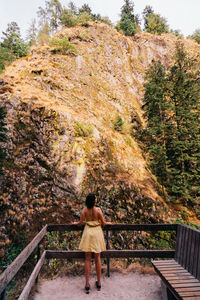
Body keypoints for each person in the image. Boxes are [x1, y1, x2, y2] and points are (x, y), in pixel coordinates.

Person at [73, 193, 112, 294]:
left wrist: (74, 224)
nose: (96, 199)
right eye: (95, 198)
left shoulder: (85, 210)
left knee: (87, 259)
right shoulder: (98, 210)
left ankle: (87, 284)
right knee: (97, 258)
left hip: (88, 233)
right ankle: (99, 283)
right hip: (97, 233)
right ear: (94, 200)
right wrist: (109, 223)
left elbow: (80, 223)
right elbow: (103, 223)